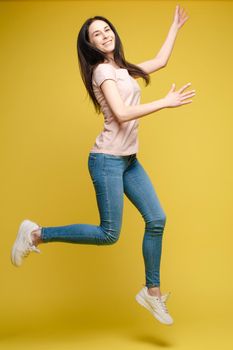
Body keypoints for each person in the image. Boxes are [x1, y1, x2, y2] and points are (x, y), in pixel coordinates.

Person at [11, 5, 195, 326]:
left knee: (156, 218)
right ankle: (36, 235)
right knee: (109, 234)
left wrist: (175, 27)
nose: (104, 35)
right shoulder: (102, 71)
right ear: (91, 45)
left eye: (106, 29)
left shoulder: (121, 67)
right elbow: (122, 113)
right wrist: (165, 103)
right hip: (107, 161)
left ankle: (151, 294)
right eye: (97, 34)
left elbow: (160, 61)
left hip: (128, 161)